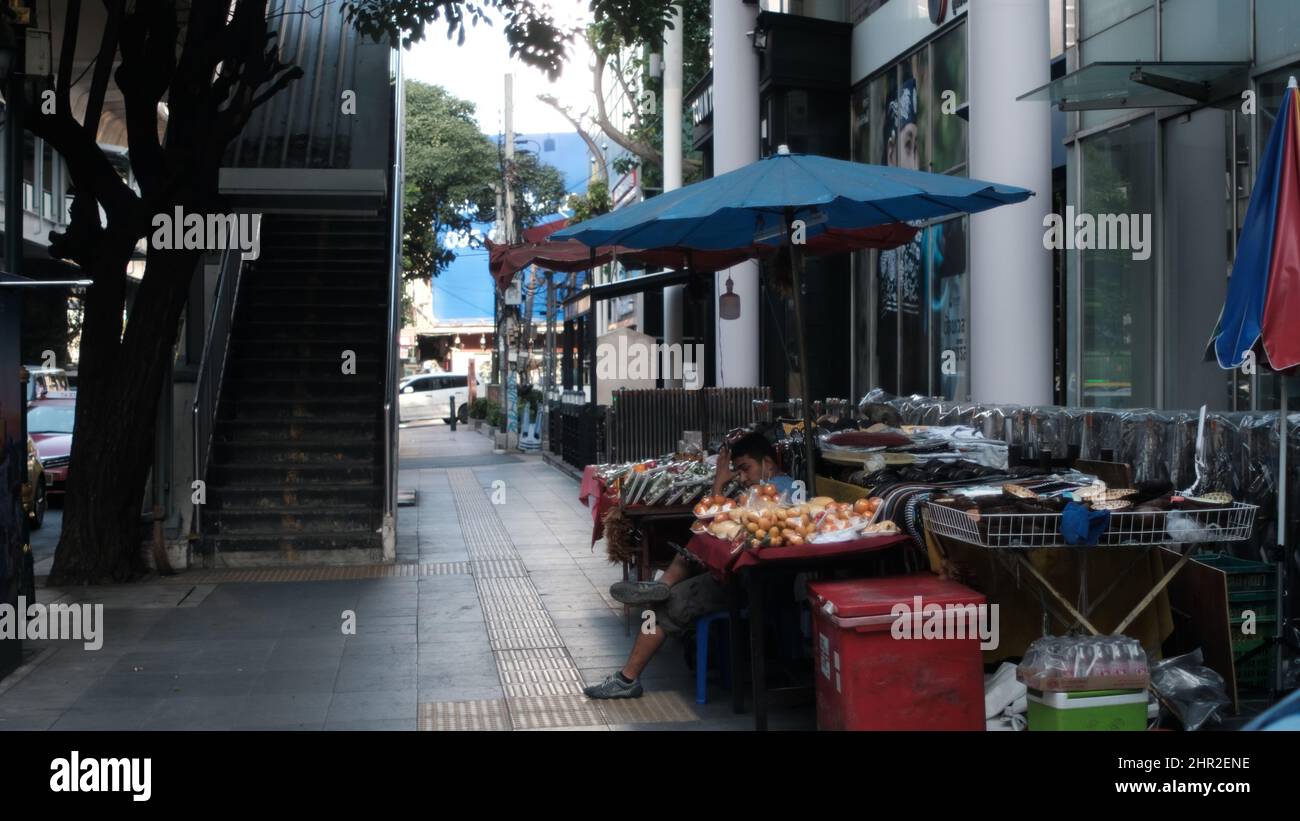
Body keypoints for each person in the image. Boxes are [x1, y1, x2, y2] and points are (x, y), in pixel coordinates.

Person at [583, 432, 795, 699]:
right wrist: (719, 485)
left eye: (745, 469)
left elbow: (719, 521)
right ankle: (659, 588)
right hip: (732, 573)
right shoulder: (756, 491)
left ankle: (628, 677)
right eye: (738, 471)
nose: (741, 477)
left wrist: (719, 486)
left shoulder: (779, 489)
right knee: (680, 564)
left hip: (745, 581)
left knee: (663, 608)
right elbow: (714, 520)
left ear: (767, 462)